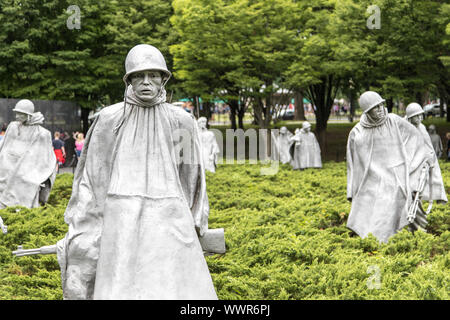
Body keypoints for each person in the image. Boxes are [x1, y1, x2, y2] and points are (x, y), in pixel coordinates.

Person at [56, 44, 217, 300]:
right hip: (121, 216)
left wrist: (196, 223)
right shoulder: (109, 118)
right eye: (138, 76)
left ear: (163, 78)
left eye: (153, 75)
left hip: (172, 216)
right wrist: (85, 226)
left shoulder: (181, 120)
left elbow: (192, 179)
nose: (146, 82)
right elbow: (93, 178)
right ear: (128, 79)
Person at [346, 91, 433, 243]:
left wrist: (415, 165)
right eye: (375, 107)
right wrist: (352, 190)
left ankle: (411, 237)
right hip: (371, 179)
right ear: (367, 111)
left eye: (381, 105)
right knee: (369, 204)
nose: (380, 110)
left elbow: (415, 138)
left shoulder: (393, 120)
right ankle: (374, 241)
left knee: (399, 196)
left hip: (396, 175)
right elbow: (352, 165)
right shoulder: (357, 133)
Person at [0, 99, 56, 209]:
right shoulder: (13, 127)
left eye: (20, 114)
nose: (16, 117)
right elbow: (4, 146)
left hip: (28, 168)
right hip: (7, 165)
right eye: (16, 113)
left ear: (28, 115)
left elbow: (45, 159)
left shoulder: (42, 134)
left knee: (25, 178)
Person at [404, 103, 447, 205]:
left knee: (434, 175)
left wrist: (429, 157)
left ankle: (439, 196)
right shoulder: (403, 128)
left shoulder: (421, 127)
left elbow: (428, 146)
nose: (420, 118)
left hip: (422, 159)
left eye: (421, 115)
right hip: (408, 160)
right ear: (410, 117)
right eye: (417, 116)